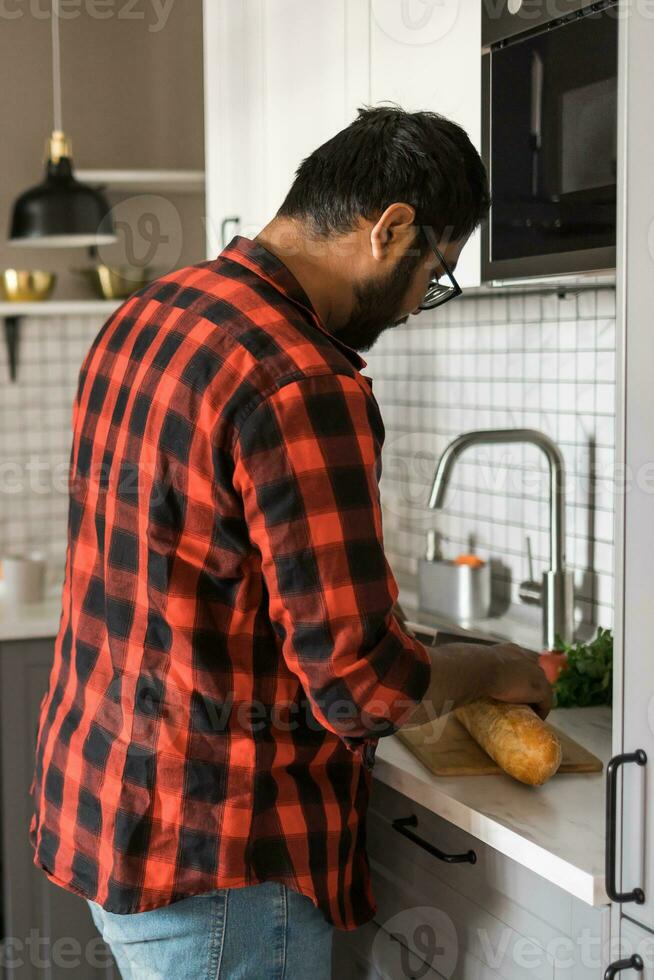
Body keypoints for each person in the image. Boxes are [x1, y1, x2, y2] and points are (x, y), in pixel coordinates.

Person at [31, 106, 551, 979]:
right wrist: (497, 667)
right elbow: (364, 687)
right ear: (392, 229)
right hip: (225, 860)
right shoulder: (301, 379)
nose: (420, 305)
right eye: (434, 275)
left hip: (110, 815)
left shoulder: (151, 312)